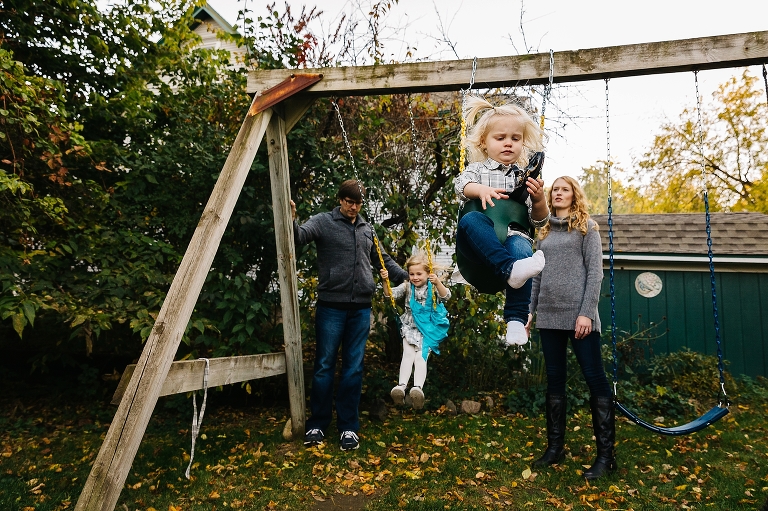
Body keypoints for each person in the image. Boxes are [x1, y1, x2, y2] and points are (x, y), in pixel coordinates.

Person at [291, 180, 408, 451]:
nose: (354, 207)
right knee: (324, 367)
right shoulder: (323, 222)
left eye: (358, 203)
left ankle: (348, 428)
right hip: (331, 307)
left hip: (360, 309)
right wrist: (291, 219)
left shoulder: (367, 229)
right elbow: (298, 237)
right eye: (349, 201)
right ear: (340, 199)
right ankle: (318, 424)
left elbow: (384, 260)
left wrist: (408, 277)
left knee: (353, 369)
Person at [527, 176, 615, 480]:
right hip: (549, 316)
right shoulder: (545, 232)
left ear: (574, 195)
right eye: (555, 191)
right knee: (554, 380)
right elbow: (536, 276)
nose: (558, 194)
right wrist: (530, 312)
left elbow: (595, 274)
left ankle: (606, 456)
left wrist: (587, 313)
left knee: (595, 379)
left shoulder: (587, 228)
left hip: (580, 317)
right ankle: (555, 448)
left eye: (564, 189)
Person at [454, 95, 549, 347]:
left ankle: (516, 322)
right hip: (476, 248)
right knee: (472, 218)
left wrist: (539, 199)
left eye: (515, 138)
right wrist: (479, 190)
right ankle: (511, 269)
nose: (508, 143)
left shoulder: (524, 177)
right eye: (500, 138)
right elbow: (461, 184)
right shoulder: (478, 169)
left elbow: (537, 221)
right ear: (484, 143)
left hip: (510, 240)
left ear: (522, 143)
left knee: (522, 249)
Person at [379, 250, 451, 409]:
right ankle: (401, 387)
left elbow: (447, 296)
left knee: (420, 358)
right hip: (410, 326)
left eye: (419, 273)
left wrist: (438, 282)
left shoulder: (432, 288)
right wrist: (385, 281)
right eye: (412, 274)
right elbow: (389, 295)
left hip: (429, 329)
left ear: (427, 273)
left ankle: (417, 388)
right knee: (407, 356)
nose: (415, 277)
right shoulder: (407, 287)